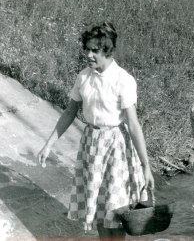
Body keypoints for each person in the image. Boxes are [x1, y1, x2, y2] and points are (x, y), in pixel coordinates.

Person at [38, 22, 155, 240]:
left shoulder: (123, 80)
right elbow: (69, 113)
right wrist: (49, 144)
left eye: (95, 50)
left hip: (116, 147)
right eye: (87, 49)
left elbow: (133, 124)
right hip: (91, 146)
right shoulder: (83, 77)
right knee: (100, 210)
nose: (89, 55)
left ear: (108, 51)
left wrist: (145, 165)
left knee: (117, 209)